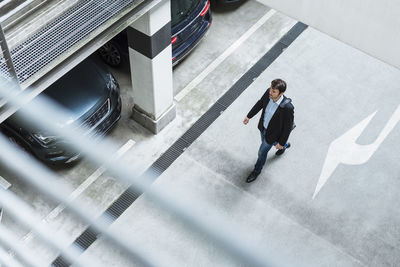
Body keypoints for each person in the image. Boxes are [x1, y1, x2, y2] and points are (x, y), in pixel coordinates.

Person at [243, 78, 294, 183]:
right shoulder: (268, 93)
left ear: (281, 93)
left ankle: (256, 171)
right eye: (271, 88)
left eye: (274, 91)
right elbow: (260, 103)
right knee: (268, 144)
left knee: (262, 152)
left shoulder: (287, 108)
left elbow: (287, 127)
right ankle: (285, 145)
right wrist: (249, 116)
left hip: (273, 134)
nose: (270, 92)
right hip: (263, 128)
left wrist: (281, 141)